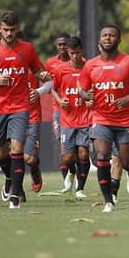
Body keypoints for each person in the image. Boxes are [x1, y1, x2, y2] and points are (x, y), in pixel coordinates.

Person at [0, 11, 51, 209]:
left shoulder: (27, 49)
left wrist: (41, 74)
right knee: (1, 155)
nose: (9, 34)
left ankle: (15, 197)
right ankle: (10, 180)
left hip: (20, 107)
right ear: (0, 28)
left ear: (17, 29)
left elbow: (37, 70)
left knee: (17, 149)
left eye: (12, 30)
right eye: (5, 30)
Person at [78, 25, 129, 213]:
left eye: (112, 35)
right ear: (100, 40)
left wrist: (128, 98)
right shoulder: (90, 65)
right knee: (102, 155)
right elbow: (82, 89)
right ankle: (109, 201)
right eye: (105, 35)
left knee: (126, 162)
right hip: (100, 118)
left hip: (125, 120)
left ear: (119, 40)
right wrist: (86, 96)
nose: (108, 38)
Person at [51, 36, 92, 199]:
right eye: (72, 53)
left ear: (82, 51)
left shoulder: (88, 67)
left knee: (83, 154)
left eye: (78, 52)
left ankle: (80, 188)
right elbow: (53, 89)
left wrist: (91, 100)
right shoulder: (61, 69)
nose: (75, 56)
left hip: (85, 119)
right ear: (67, 51)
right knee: (68, 157)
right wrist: (61, 101)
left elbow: (95, 87)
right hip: (67, 120)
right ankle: (72, 172)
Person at [45, 33, 77, 193]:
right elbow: (48, 85)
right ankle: (69, 175)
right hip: (59, 110)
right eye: (59, 45)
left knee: (79, 149)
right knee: (63, 145)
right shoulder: (51, 63)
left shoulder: (81, 63)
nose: (62, 47)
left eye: (65, 44)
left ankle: (77, 179)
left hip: (78, 110)